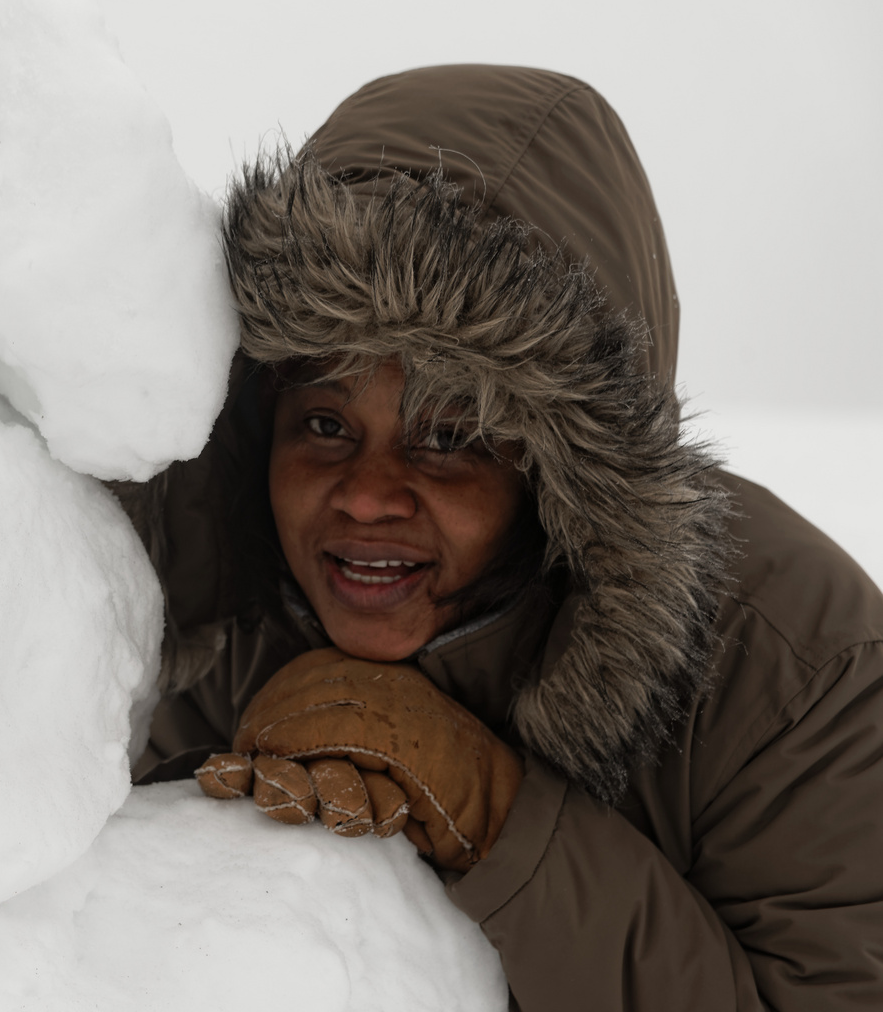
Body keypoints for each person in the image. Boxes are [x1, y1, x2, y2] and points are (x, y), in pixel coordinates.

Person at [122, 64, 883, 1009]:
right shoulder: (216, 615)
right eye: (324, 424)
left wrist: (497, 813)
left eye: (448, 438)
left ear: (561, 472)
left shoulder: (799, 670)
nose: (364, 498)